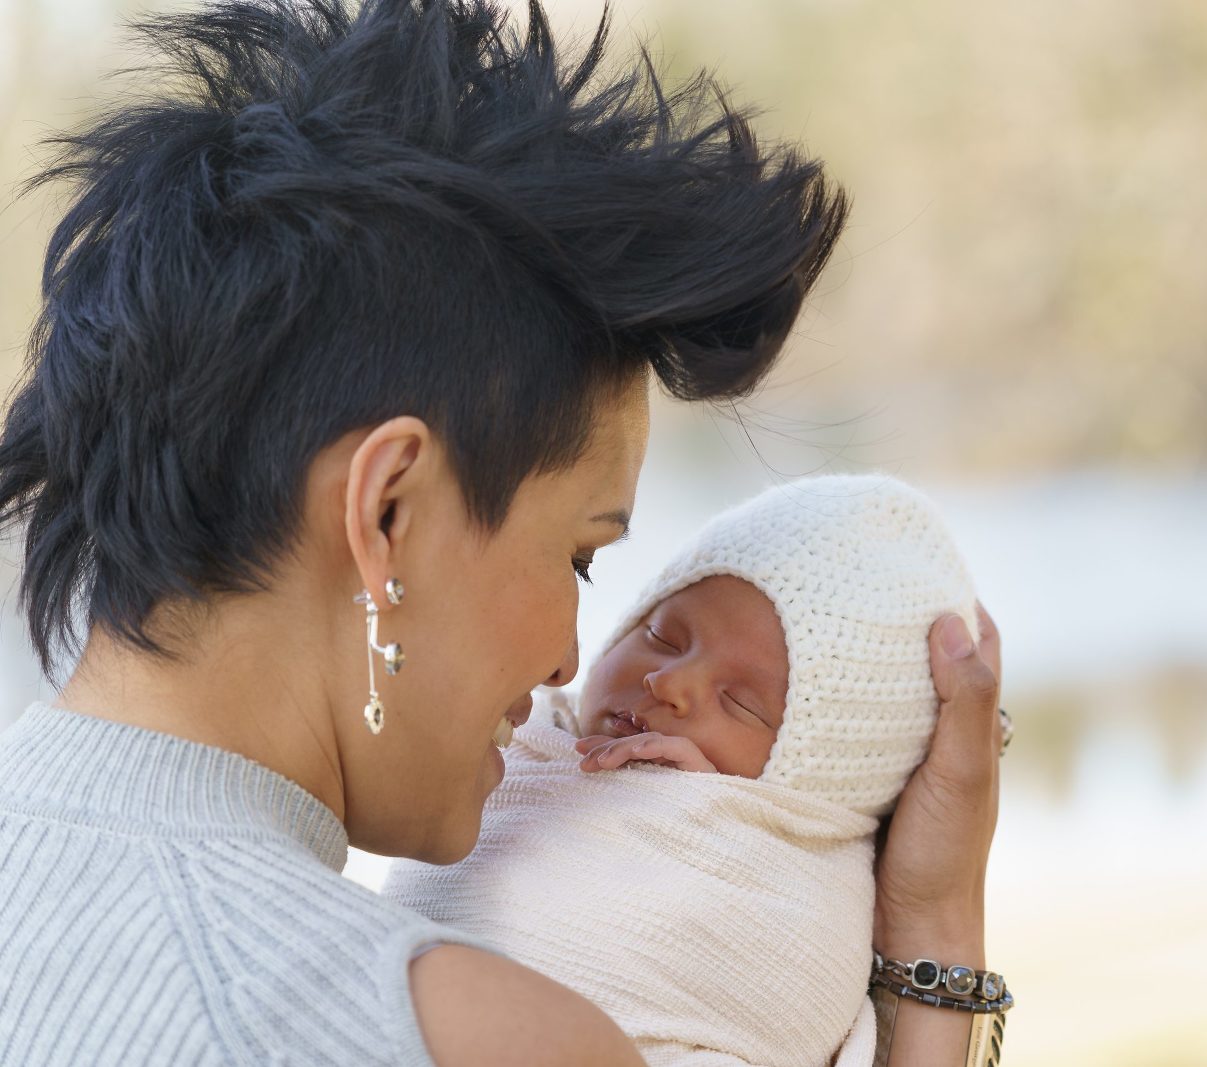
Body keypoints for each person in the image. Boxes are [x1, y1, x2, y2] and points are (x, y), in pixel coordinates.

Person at [0, 2, 1004, 1065]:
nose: (574, 654)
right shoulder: (469, 1035)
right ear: (388, 511)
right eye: (578, 553)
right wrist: (935, 932)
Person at [384, 474, 1010, 1066]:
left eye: (740, 703)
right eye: (661, 635)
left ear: (799, 793)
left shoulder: (790, 894)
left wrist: (933, 916)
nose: (670, 682)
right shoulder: (521, 736)